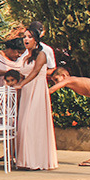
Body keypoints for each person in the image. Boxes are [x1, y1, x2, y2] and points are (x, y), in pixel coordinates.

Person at [13, 24, 57, 170]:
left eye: (29, 37)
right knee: (23, 124)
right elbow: (21, 72)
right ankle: (25, 160)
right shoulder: (25, 57)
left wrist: (22, 84)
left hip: (37, 90)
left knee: (31, 124)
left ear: (36, 40)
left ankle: (36, 160)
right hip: (26, 92)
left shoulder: (42, 54)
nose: (26, 39)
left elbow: (36, 72)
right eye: (24, 37)